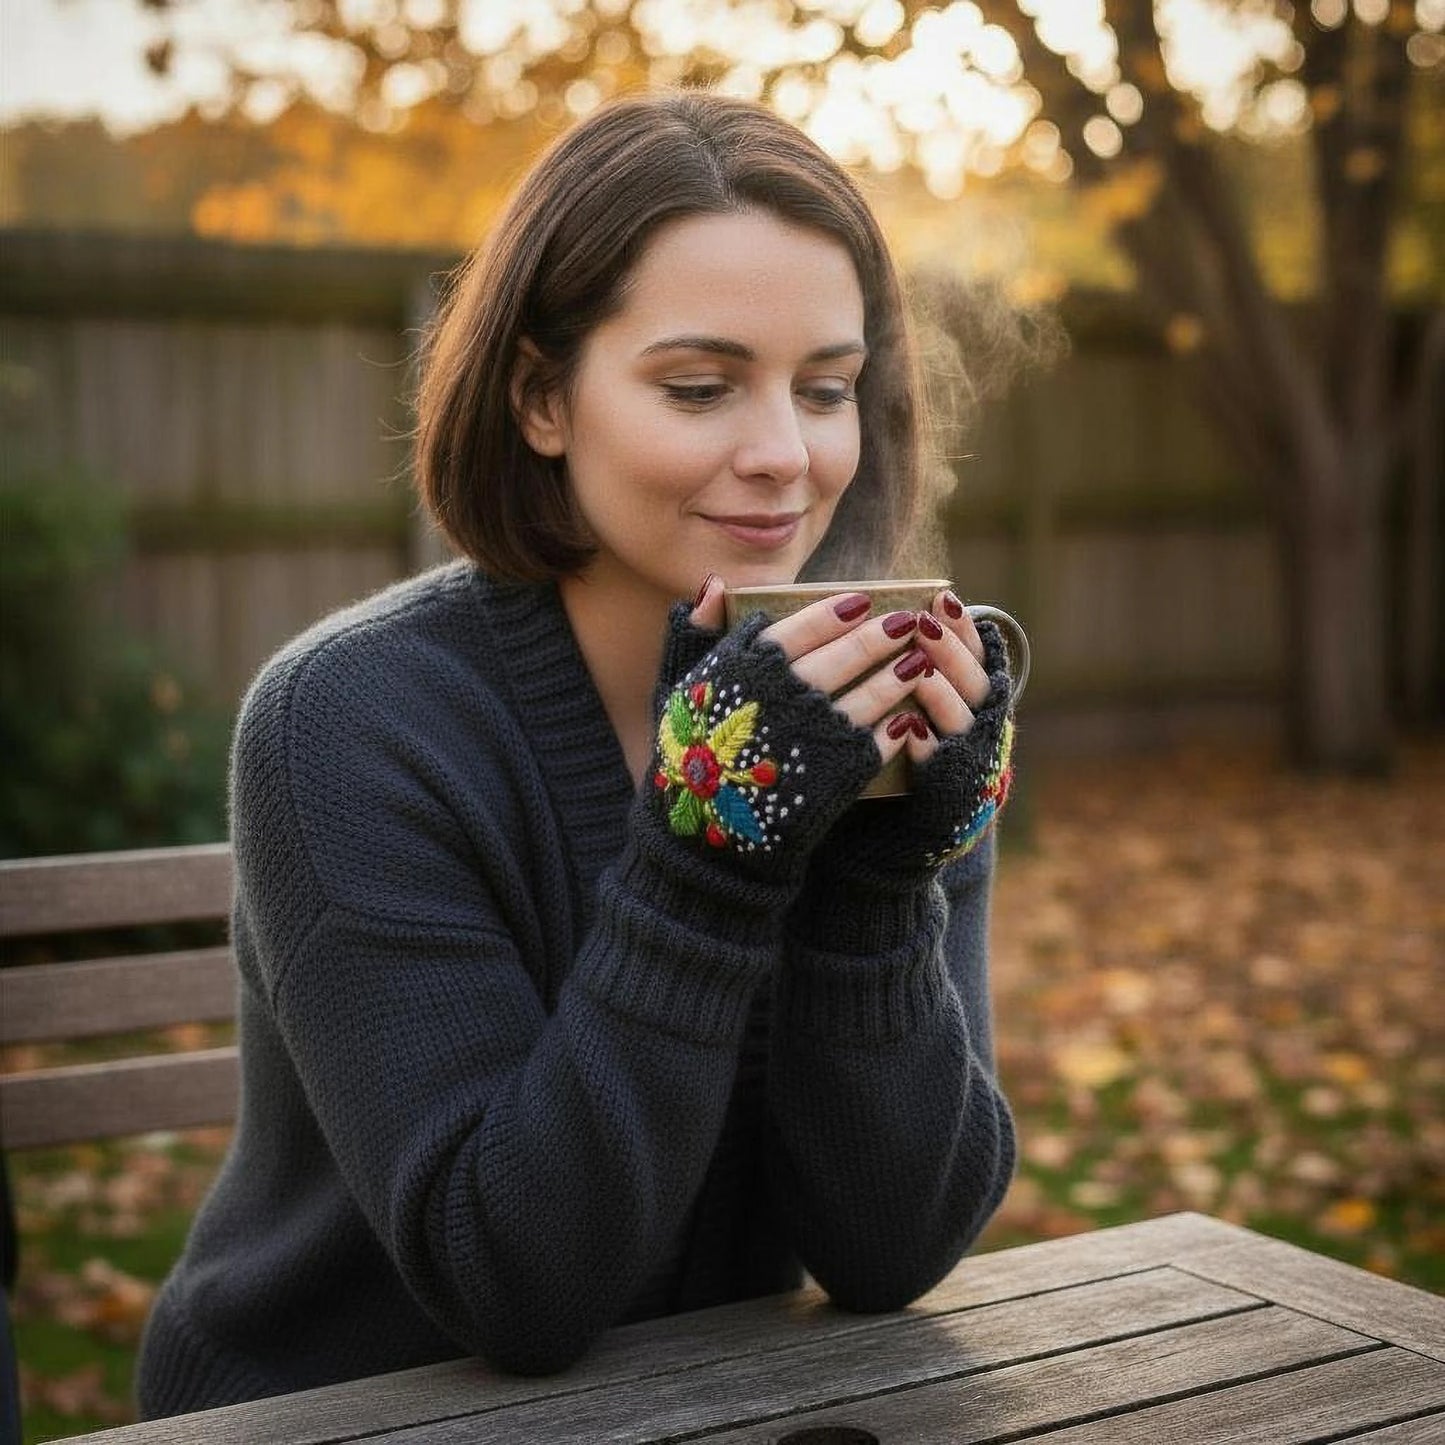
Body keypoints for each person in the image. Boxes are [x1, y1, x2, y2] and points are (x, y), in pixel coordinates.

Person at [136, 89, 1018, 1418]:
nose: (784, 454)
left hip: (720, 1409)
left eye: (826, 388)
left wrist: (882, 882)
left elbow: (893, 1250)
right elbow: (516, 1281)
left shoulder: (866, 700)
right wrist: (706, 864)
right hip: (329, 1411)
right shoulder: (351, 720)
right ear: (542, 399)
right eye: (700, 385)